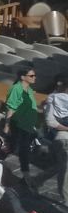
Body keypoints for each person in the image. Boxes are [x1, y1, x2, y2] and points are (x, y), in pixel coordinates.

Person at [5, 66, 40, 176]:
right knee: (23, 149)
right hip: (20, 123)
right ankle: (26, 174)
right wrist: (6, 126)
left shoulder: (29, 89)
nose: (34, 77)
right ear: (22, 77)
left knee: (17, 145)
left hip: (28, 123)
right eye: (31, 76)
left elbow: (32, 106)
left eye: (34, 75)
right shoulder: (16, 89)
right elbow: (11, 108)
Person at [46, 75, 68, 203]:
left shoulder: (52, 98)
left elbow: (51, 122)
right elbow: (50, 122)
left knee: (63, 168)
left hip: (61, 137)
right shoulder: (54, 99)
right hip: (63, 139)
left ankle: (36, 180)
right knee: (65, 172)